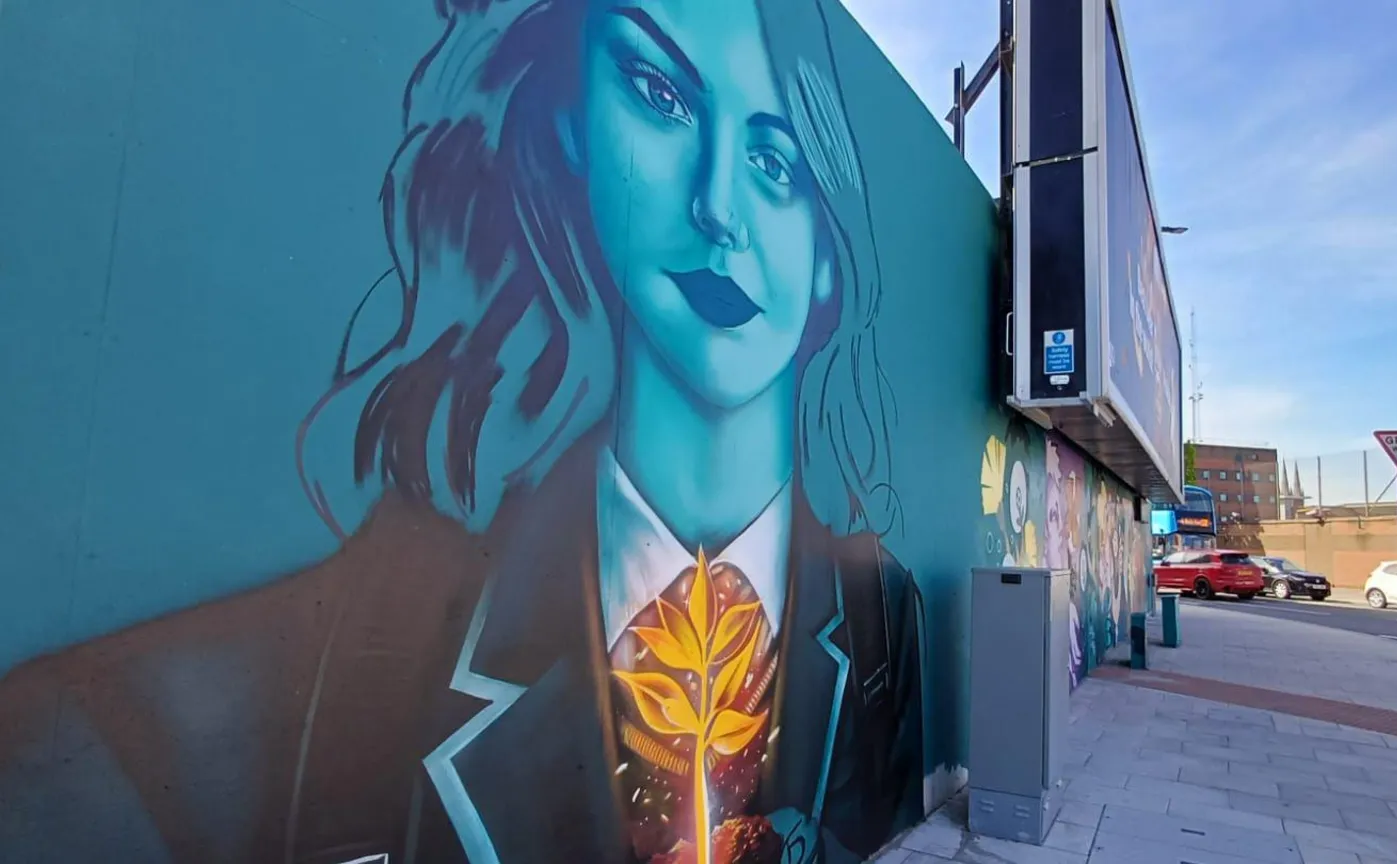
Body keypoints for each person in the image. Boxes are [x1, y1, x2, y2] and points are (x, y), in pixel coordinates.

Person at [0, 1, 923, 862]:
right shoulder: (162, 732)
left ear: (831, 260)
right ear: (573, 130)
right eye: (661, 95)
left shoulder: (887, 619)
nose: (717, 206)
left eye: (777, 164)